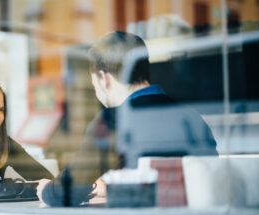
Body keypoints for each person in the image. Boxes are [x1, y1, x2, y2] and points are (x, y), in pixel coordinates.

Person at [36, 31, 218, 206]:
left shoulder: (112, 120)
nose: (98, 94)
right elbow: (209, 180)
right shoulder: (190, 116)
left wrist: (46, 190)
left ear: (103, 78)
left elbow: (69, 190)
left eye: (95, 87)